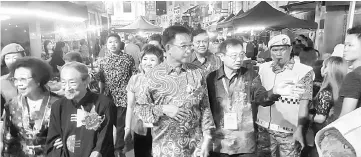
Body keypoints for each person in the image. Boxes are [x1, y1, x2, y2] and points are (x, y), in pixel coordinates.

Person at [134, 25, 215, 157]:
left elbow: (205, 107)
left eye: (190, 45)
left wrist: (207, 138)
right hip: (165, 149)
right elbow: (140, 110)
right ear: (168, 48)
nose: (189, 50)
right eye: (183, 46)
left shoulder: (197, 73)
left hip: (195, 149)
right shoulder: (152, 76)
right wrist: (163, 109)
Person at [206, 39, 272, 157]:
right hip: (219, 141)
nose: (238, 59)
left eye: (241, 55)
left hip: (244, 142)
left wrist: (270, 95)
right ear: (222, 56)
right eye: (233, 56)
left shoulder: (250, 75)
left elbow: (260, 95)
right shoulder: (211, 78)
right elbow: (206, 107)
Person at [256, 34, 314, 157]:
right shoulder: (263, 68)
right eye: (275, 50)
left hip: (288, 130)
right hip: (264, 127)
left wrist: (300, 129)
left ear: (290, 49)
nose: (278, 53)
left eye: (282, 49)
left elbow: (305, 102)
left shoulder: (304, 71)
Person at [46, 62, 115, 157]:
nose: (67, 87)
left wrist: (97, 152)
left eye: (72, 82)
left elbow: (105, 136)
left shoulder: (103, 103)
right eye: (63, 82)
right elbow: (53, 140)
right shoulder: (58, 106)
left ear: (86, 81)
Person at [2, 57, 61, 156]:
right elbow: (9, 139)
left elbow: (72, 133)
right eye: (15, 80)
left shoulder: (58, 103)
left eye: (23, 79)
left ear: (39, 80)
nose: (18, 84)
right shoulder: (12, 104)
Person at [95, 33, 136, 157]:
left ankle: (118, 148)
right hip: (108, 97)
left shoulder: (128, 58)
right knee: (108, 123)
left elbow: (133, 76)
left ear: (120, 43)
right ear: (106, 45)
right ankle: (106, 146)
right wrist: (100, 95)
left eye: (115, 42)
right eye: (110, 42)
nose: (113, 44)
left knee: (120, 124)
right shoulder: (102, 60)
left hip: (124, 96)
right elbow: (101, 80)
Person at [124, 44, 164, 157]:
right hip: (140, 127)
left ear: (160, 62)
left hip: (160, 128)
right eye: (145, 59)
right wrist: (127, 128)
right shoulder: (135, 79)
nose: (148, 63)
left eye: (152, 59)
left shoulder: (166, 80)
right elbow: (130, 106)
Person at [307, 56, 348, 157]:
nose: (321, 68)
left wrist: (305, 116)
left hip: (322, 133)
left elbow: (320, 118)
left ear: (327, 70)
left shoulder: (326, 92)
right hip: (336, 134)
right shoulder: (344, 88)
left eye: (323, 66)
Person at [338, 25, 361, 118]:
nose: (345, 49)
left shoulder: (354, 76)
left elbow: (345, 116)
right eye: (345, 45)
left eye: (350, 45)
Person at [1, 43, 25, 109]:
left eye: (15, 58)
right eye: (7, 58)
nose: (11, 61)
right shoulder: (1, 81)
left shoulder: (34, 78)